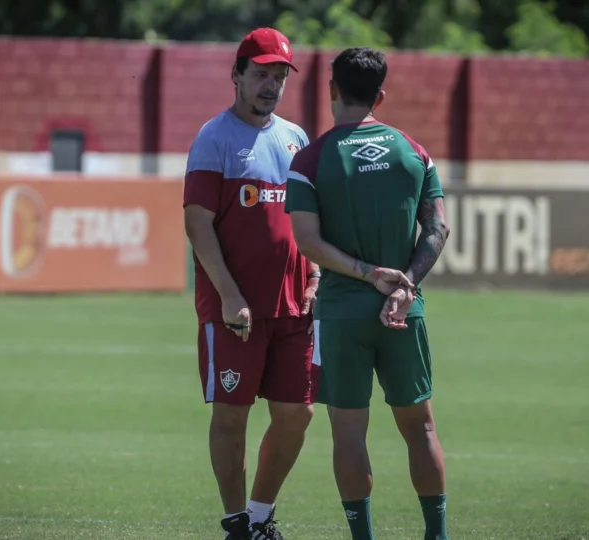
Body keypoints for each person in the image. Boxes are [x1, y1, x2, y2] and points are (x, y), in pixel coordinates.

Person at [284, 47, 452, 540]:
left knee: (349, 434)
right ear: (380, 96)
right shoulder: (414, 153)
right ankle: (436, 535)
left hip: (340, 315)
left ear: (332, 90)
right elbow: (438, 230)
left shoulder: (310, 160)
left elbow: (307, 242)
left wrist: (364, 272)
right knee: (420, 429)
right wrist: (406, 284)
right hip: (404, 310)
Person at [182, 27, 320, 540]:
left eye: (279, 76)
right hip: (234, 311)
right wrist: (230, 294)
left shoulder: (297, 138)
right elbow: (197, 224)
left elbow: (311, 220)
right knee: (231, 418)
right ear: (236, 75)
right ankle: (237, 524)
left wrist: (317, 275)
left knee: (298, 414)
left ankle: (261, 516)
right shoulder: (213, 137)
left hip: (293, 306)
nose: (270, 85)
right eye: (261, 74)